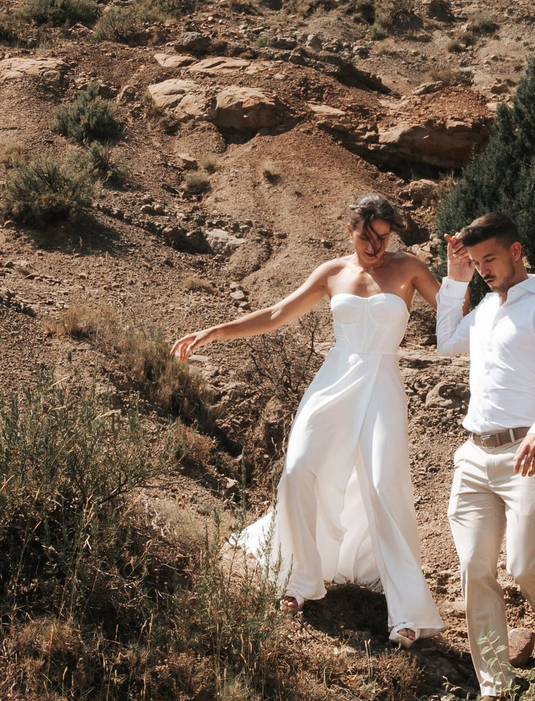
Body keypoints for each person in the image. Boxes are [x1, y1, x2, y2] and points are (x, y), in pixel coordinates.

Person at [171, 194, 446, 646]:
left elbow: (455, 315)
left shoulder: (410, 268)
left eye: (382, 238)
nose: (374, 247)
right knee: (299, 471)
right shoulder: (332, 273)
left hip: (382, 384)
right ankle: (300, 579)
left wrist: (464, 280)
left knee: (382, 484)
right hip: (333, 383)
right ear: (350, 230)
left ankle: (406, 611)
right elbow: (278, 314)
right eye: (365, 237)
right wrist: (215, 331)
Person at [435, 210, 535, 700]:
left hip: (528, 453)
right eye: (476, 262)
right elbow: (445, 342)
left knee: (525, 566)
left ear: (517, 252)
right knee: (475, 569)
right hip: (474, 456)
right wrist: (456, 281)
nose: (483, 269)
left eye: (489, 259)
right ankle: (495, 687)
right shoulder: (484, 310)